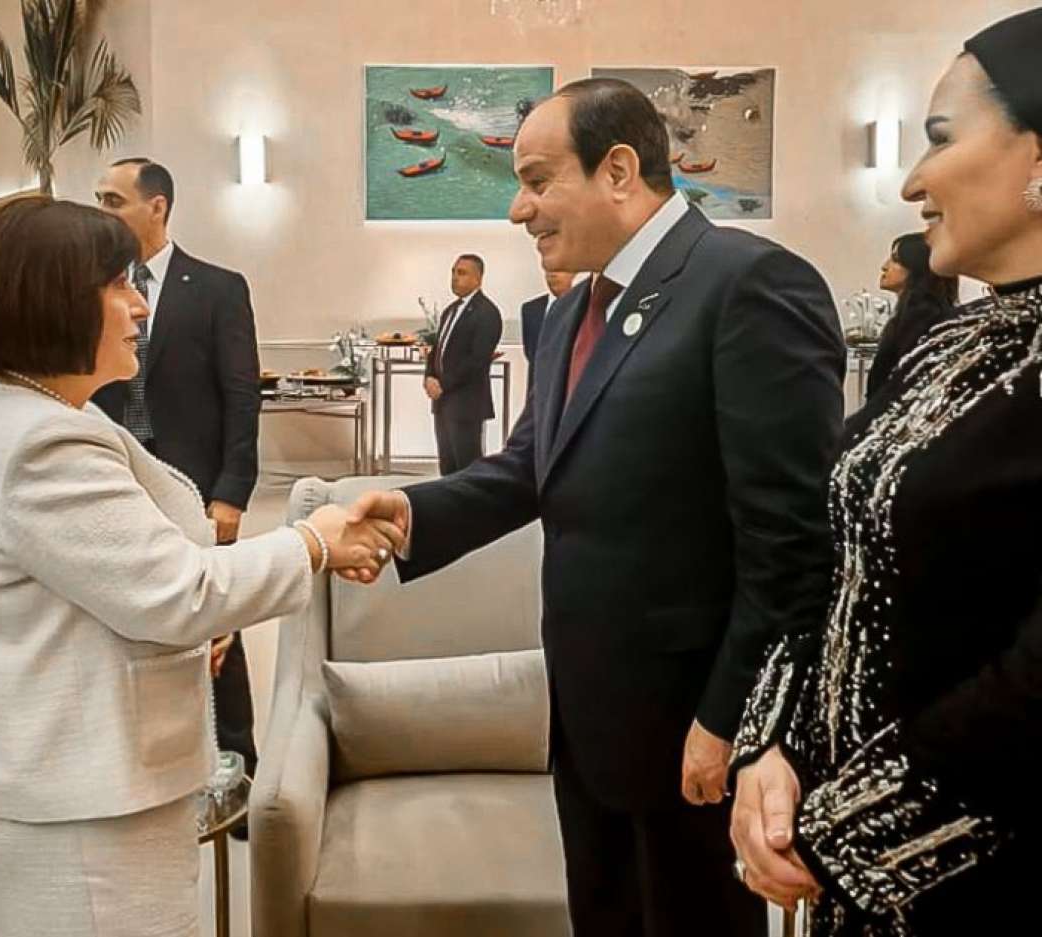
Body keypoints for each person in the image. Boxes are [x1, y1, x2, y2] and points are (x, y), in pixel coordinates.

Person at [349, 77, 846, 937]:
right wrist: (411, 513)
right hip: (587, 716)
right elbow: (531, 466)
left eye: (537, 181)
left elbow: (792, 544)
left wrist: (731, 717)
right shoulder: (571, 308)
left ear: (617, 170)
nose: (518, 210)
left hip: (691, 728)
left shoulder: (748, 284)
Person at [0, 196, 401, 937]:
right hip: (80, 814)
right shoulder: (43, 444)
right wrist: (313, 542)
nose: (140, 307)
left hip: (83, 790)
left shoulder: (34, 411)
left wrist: (194, 627)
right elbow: (176, 592)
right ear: (54, 301)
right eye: (119, 285)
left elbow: (110, 585)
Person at [730, 9, 1042, 936]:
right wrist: (771, 744)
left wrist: (838, 829)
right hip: (857, 882)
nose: (912, 181)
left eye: (940, 138)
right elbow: (833, 562)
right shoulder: (948, 342)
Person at [93, 158, 266, 834]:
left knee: (218, 619)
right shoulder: (94, 289)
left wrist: (232, 491)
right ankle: (155, 773)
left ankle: (239, 770)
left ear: (157, 207)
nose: (103, 212)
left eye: (114, 200)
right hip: (119, 481)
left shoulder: (217, 288)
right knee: (140, 618)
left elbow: (241, 395)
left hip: (196, 487)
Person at [424, 254, 503, 475]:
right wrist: (429, 377)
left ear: (478, 279)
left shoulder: (487, 313)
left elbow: (477, 360)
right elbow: (437, 349)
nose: (454, 278)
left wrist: (443, 384)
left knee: (467, 469)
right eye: (453, 272)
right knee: (447, 468)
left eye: (462, 273)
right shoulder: (450, 311)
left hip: (466, 404)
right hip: (443, 403)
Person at [866, 233, 958, 396]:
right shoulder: (913, 313)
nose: (884, 266)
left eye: (895, 260)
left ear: (916, 267)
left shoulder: (923, 316)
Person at [521, 270, 576, 387]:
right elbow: (530, 352)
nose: (552, 275)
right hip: (538, 387)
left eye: (559, 270)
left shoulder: (585, 307)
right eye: (548, 270)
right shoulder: (530, 309)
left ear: (573, 273)